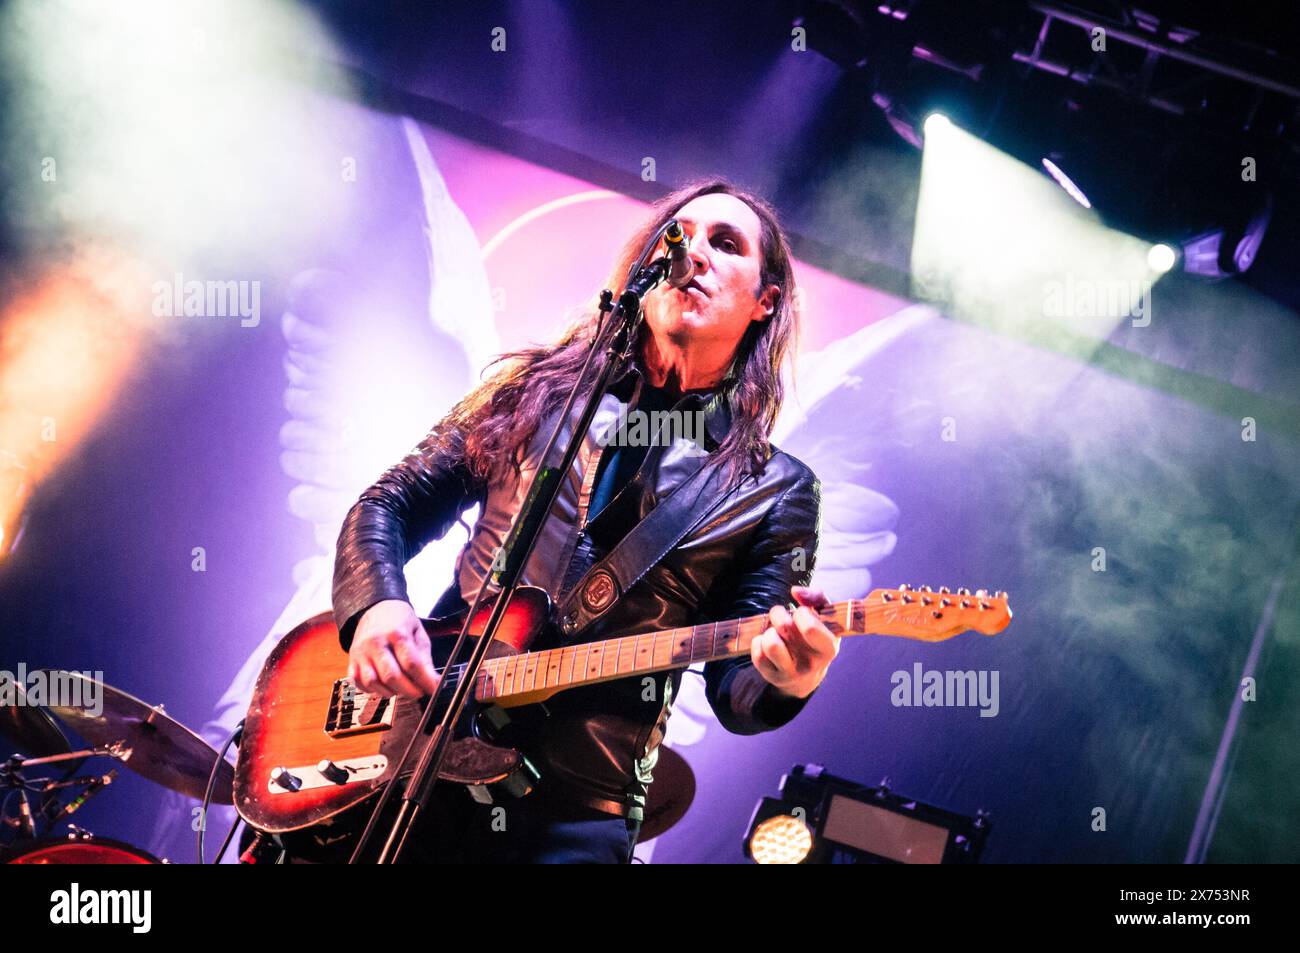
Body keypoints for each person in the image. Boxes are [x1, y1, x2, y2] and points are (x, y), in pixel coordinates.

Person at [331, 178, 842, 863]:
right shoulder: (540, 391)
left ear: (764, 301)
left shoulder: (774, 488)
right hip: (418, 749)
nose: (697, 255)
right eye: (681, 237)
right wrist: (376, 608)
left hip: (575, 810)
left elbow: (739, 688)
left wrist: (791, 677)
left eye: (726, 244)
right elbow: (388, 503)